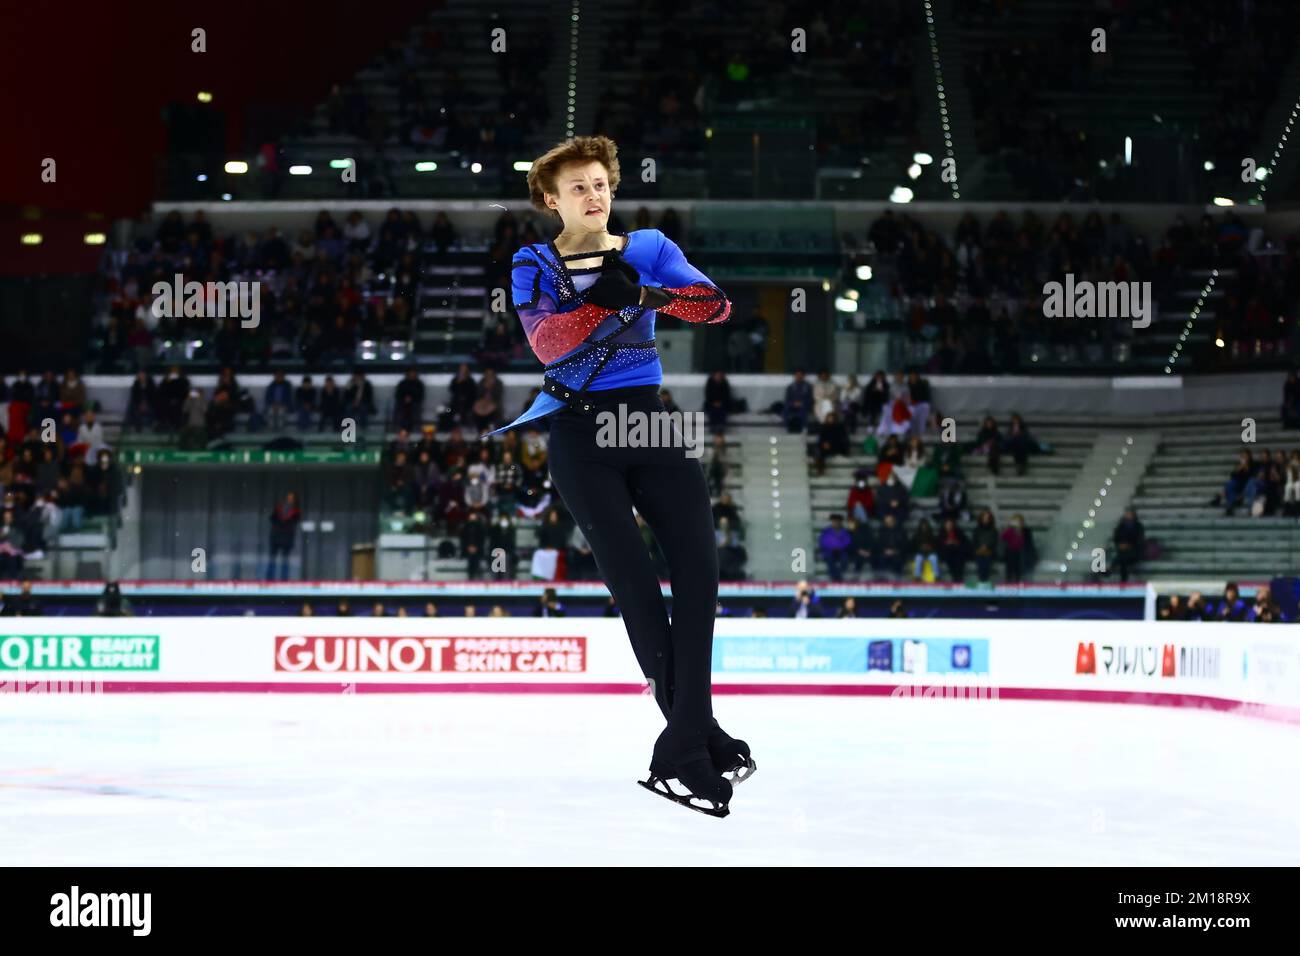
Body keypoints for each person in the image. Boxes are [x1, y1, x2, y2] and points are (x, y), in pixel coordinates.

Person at [483, 135, 750, 815]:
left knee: (700, 571)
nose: (594, 196)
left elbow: (716, 307)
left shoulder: (651, 248)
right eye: (578, 188)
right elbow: (547, 344)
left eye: (601, 184)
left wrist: (648, 293)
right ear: (551, 200)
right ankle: (696, 739)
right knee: (633, 584)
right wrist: (605, 301)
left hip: (650, 418)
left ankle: (686, 740)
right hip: (578, 431)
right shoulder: (532, 262)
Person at [266, 492, 301, 581]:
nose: (290, 500)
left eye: (291, 498)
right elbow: (272, 519)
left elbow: (295, 521)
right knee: (273, 559)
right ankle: (270, 578)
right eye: (288, 498)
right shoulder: (279, 509)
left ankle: (284, 578)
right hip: (277, 537)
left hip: (286, 538)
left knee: (285, 560)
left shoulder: (295, 511)